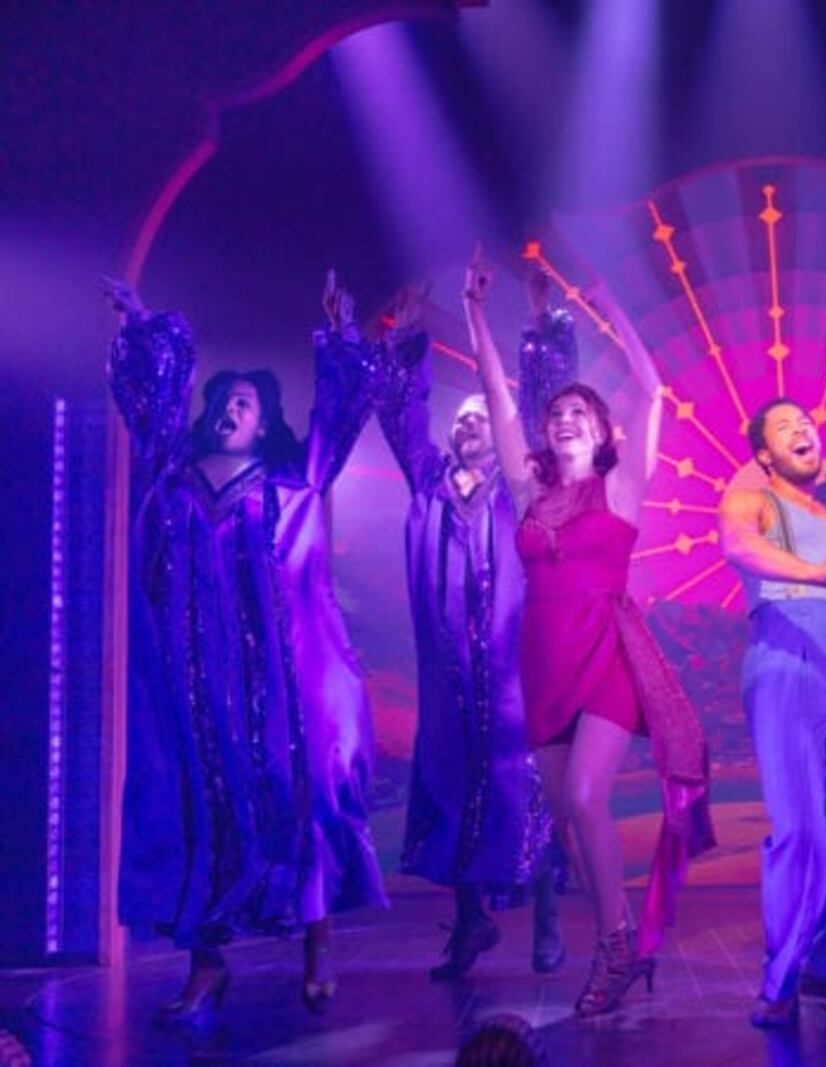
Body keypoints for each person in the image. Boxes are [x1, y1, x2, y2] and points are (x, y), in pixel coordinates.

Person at [104, 270, 393, 1024]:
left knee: (302, 800)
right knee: (201, 808)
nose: (230, 407)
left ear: (264, 424)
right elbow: (153, 402)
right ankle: (205, 964)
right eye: (223, 399)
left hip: (281, 688)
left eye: (246, 401)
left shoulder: (290, 485)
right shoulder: (173, 478)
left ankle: (318, 941)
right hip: (194, 687)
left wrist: (340, 338)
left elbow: (336, 418)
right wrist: (141, 324)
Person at [461, 249, 713, 1018]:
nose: (565, 417)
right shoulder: (527, 489)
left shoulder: (622, 485)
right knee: (568, 819)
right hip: (542, 660)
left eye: (580, 411)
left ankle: (616, 947)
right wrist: (474, 310)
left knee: (583, 793)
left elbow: (653, 388)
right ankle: (621, 936)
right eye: (556, 414)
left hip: (606, 653)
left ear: (601, 428)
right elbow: (499, 400)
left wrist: (610, 306)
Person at [372, 275, 572, 981]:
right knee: (452, 783)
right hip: (448, 672)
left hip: (514, 667)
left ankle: (547, 919)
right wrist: (404, 338)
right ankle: (469, 923)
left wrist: (543, 328)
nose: (466, 426)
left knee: (525, 784)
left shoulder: (521, 487)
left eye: (480, 418)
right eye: (459, 420)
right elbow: (401, 414)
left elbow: (543, 411)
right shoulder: (429, 480)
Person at [719, 397, 826, 1028]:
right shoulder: (752, 497)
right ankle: (781, 978)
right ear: (764, 454)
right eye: (785, 426)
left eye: (807, 423)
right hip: (788, 650)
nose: (803, 429)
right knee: (806, 833)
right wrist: (819, 574)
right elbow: (738, 545)